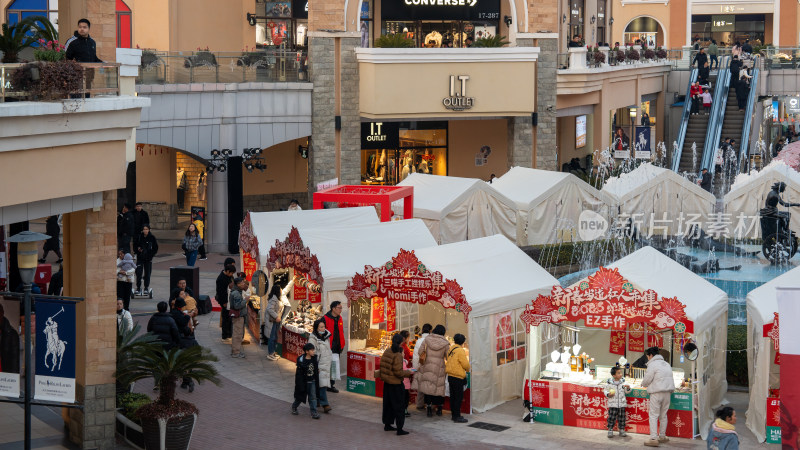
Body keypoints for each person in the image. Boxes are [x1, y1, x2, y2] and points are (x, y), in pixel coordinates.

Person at [379, 333, 414, 435]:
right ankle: (399, 428)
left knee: (388, 405)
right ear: (401, 342)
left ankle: (387, 424)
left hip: (387, 383)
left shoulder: (387, 351)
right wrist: (409, 372)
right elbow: (399, 372)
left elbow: (383, 366)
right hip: (396, 384)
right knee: (399, 406)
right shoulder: (398, 355)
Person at [641, 346, 675, 447]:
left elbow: (647, 380)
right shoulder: (666, 364)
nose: (648, 358)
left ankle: (653, 438)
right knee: (663, 415)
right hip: (667, 392)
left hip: (657, 392)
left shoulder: (652, 364)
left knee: (654, 415)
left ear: (651, 355)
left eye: (647, 356)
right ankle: (662, 436)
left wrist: (643, 384)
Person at [417, 324, 449, 417]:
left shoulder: (427, 339)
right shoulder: (445, 343)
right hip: (439, 367)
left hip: (428, 366)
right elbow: (448, 356)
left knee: (428, 387)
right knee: (439, 388)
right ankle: (439, 409)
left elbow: (420, 352)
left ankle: (429, 409)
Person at [308, 318, 333, 413]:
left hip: (326, 363)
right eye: (321, 327)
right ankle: (325, 404)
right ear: (316, 328)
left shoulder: (327, 336)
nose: (323, 329)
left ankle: (318, 400)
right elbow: (311, 352)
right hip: (319, 364)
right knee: (322, 384)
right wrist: (314, 365)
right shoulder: (312, 339)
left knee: (321, 384)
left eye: (324, 327)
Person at [445, 333, 470, 423]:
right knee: (458, 397)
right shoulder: (460, 350)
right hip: (458, 376)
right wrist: (468, 368)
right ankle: (457, 416)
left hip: (450, 375)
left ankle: (454, 415)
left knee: (453, 397)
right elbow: (465, 364)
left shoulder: (451, 348)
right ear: (463, 342)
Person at [292, 343, 321, 419]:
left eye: (313, 350)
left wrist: (317, 372)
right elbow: (298, 375)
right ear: (307, 351)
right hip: (304, 382)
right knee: (300, 397)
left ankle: (314, 412)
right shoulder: (301, 361)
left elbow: (315, 369)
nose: (313, 351)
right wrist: (299, 384)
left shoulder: (314, 359)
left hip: (312, 381)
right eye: (312, 350)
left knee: (313, 397)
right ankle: (294, 406)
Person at [604, 366, 632, 438]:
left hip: (622, 404)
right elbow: (605, 391)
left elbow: (627, 391)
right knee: (612, 417)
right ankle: (610, 429)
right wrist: (608, 394)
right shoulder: (609, 383)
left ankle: (621, 429)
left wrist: (628, 388)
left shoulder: (623, 382)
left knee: (622, 417)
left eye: (621, 373)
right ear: (614, 375)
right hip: (613, 404)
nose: (621, 374)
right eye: (618, 373)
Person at [324, 301, 345, 392]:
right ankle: (325, 384)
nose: (341, 309)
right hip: (328, 346)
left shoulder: (340, 318)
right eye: (339, 308)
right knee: (326, 366)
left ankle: (331, 384)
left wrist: (342, 344)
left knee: (334, 366)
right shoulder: (325, 318)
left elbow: (341, 332)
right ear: (333, 308)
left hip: (337, 346)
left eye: (341, 308)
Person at [411, 323, 432, 410]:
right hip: (428, 367)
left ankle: (419, 404)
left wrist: (416, 367)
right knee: (428, 386)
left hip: (419, 367)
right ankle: (429, 405)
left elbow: (415, 355)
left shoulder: (419, 341)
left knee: (420, 385)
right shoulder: (430, 340)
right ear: (430, 331)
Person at [134, 225, 158, 296]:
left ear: (149, 230)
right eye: (144, 229)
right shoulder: (139, 237)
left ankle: (146, 287)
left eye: (146, 229)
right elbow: (135, 246)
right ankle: (138, 287)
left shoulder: (152, 238)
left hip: (148, 259)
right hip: (140, 258)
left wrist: (150, 255)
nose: (145, 231)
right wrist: (138, 250)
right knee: (138, 273)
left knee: (147, 273)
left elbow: (155, 248)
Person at [216, 264, 236, 341]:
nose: (232, 275)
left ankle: (229, 334)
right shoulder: (221, 279)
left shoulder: (229, 276)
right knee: (225, 318)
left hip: (229, 299)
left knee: (230, 317)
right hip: (224, 301)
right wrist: (224, 302)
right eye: (231, 273)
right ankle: (225, 335)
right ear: (227, 271)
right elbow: (220, 292)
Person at [229, 277, 248, 358]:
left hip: (238, 316)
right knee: (237, 334)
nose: (244, 284)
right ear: (238, 284)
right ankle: (236, 352)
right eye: (242, 283)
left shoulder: (236, 292)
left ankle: (235, 351)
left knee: (237, 334)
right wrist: (245, 300)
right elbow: (237, 306)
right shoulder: (236, 293)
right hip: (238, 316)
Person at [0, 303, 20, 375]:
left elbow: (14, 362)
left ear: (2, 314)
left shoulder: (12, 334)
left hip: (5, 376)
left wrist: (12, 381)